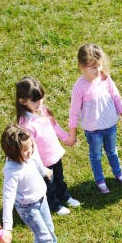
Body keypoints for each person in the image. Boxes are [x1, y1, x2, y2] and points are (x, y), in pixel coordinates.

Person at [66, 43, 122, 194]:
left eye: (99, 66)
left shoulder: (105, 79)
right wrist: (72, 133)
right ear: (82, 66)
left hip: (110, 126)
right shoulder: (79, 87)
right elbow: (74, 112)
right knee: (96, 155)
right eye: (93, 67)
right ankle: (100, 180)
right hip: (93, 130)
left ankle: (119, 174)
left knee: (112, 151)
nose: (97, 70)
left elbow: (116, 97)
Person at [0, 125, 63, 243]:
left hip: (42, 199)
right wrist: (7, 226)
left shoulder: (31, 153)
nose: (30, 151)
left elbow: (36, 162)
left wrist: (44, 171)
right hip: (28, 208)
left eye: (31, 147)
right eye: (25, 150)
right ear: (13, 152)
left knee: (49, 227)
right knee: (43, 235)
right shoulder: (12, 171)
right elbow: (8, 198)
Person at [16, 76, 80, 216]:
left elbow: (54, 125)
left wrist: (66, 138)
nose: (40, 102)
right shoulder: (26, 124)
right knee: (49, 186)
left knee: (59, 179)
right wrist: (41, 167)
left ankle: (65, 196)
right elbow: (31, 149)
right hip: (43, 163)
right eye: (35, 100)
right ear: (22, 101)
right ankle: (55, 205)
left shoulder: (43, 110)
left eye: (41, 98)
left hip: (54, 154)